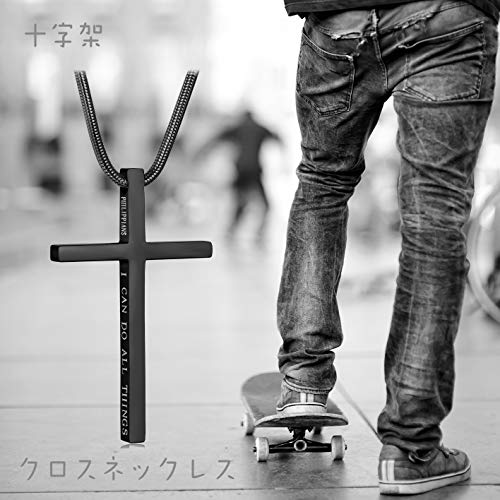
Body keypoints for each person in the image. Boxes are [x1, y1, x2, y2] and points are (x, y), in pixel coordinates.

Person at [276, 0, 499, 495]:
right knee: (434, 213)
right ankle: (411, 446)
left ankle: (303, 383)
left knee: (322, 184)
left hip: (336, 17)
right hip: (446, 17)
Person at [198, 109, 282, 242]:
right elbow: (277, 137)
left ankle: (232, 232)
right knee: (264, 205)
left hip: (242, 170)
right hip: (253, 170)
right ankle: (257, 233)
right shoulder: (259, 128)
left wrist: (201, 152)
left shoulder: (238, 127)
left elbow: (217, 138)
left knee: (240, 203)